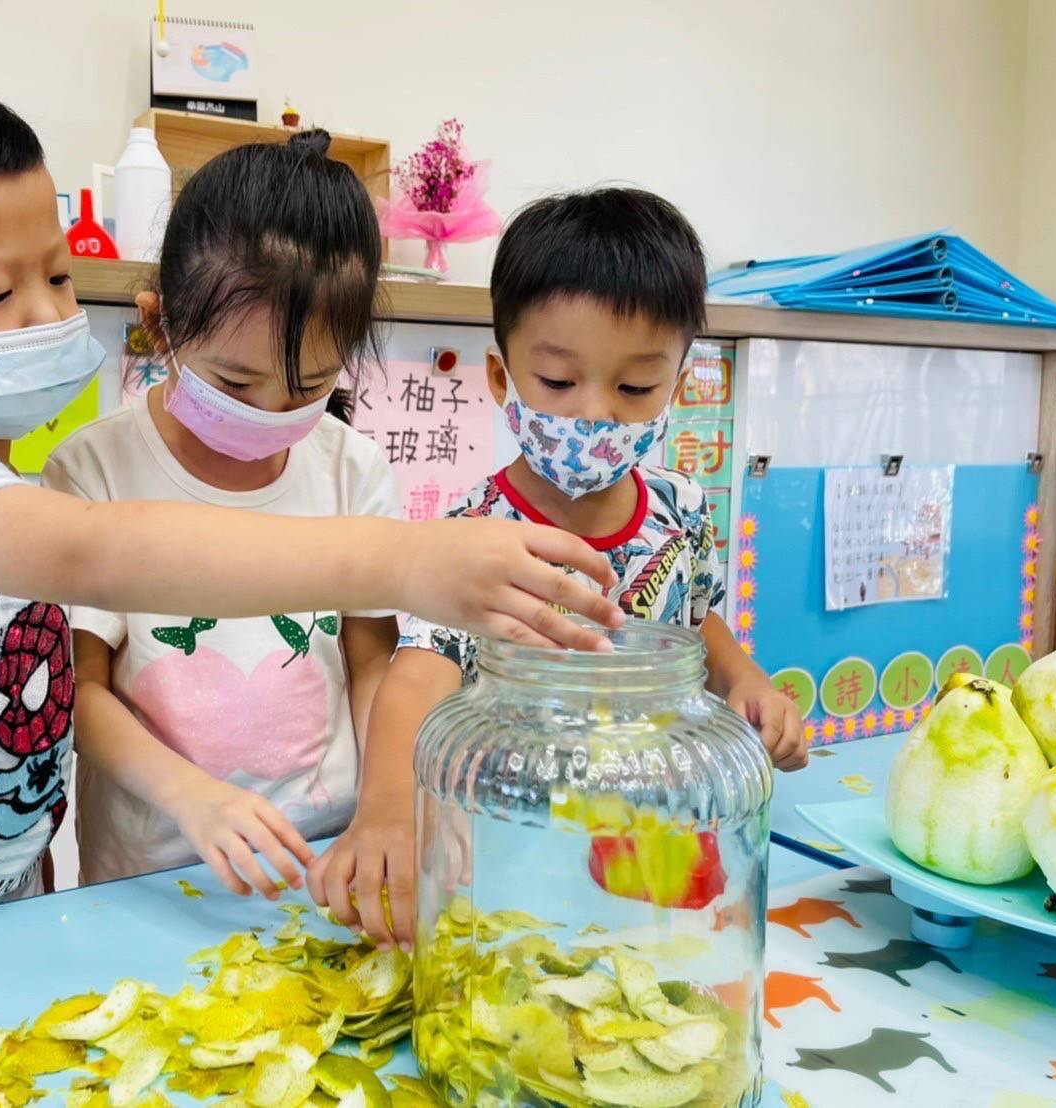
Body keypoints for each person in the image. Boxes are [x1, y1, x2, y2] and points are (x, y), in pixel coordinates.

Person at [0, 71, 622, 960]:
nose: (46, 315)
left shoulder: (6, 478)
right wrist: (406, 561)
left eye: (61, 275)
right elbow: (91, 555)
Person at [309, 188, 808, 950]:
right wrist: (385, 808)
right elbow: (419, 673)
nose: (596, 415)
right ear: (505, 381)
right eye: (559, 382)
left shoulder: (683, 508)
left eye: (636, 387)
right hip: (516, 844)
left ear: (676, 388)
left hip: (653, 841)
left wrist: (745, 680)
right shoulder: (475, 537)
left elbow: (693, 620)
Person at [46, 130, 406, 894]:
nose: (272, 414)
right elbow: (79, 691)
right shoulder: (94, 468)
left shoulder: (352, 470)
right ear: (163, 324)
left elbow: (371, 663)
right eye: (236, 385)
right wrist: (196, 799)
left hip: (325, 857)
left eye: (308, 387)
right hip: (156, 869)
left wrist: (386, 811)